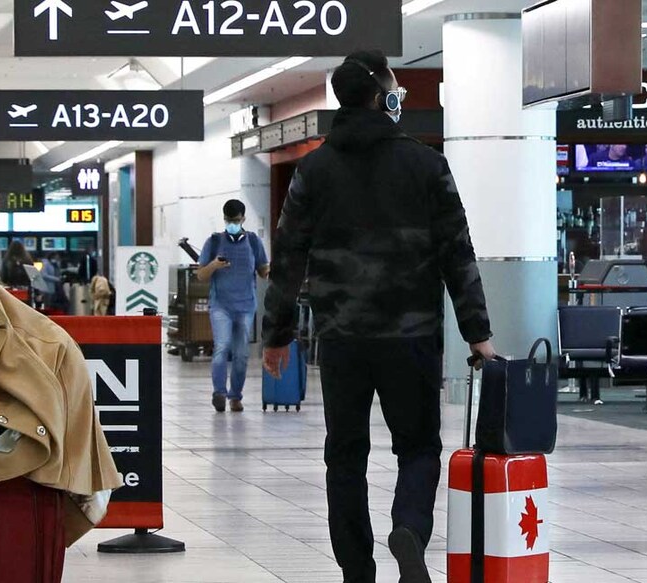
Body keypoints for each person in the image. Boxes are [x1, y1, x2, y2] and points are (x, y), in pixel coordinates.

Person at [261, 50, 496, 583]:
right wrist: (478, 333)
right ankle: (409, 526)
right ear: (380, 97)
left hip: (342, 338)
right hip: (411, 336)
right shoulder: (426, 165)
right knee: (418, 446)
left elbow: (288, 256)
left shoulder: (314, 169)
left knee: (345, 455)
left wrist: (276, 335)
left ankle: (356, 569)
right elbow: (457, 253)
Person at [195, 199, 269, 413]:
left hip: (246, 306)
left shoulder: (253, 242)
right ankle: (219, 392)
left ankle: (235, 396)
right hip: (221, 306)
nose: (232, 224)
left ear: (243, 219)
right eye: (228, 220)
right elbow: (201, 275)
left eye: (236, 220)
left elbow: (263, 270)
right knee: (222, 347)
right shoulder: (214, 242)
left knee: (241, 354)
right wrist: (214, 265)